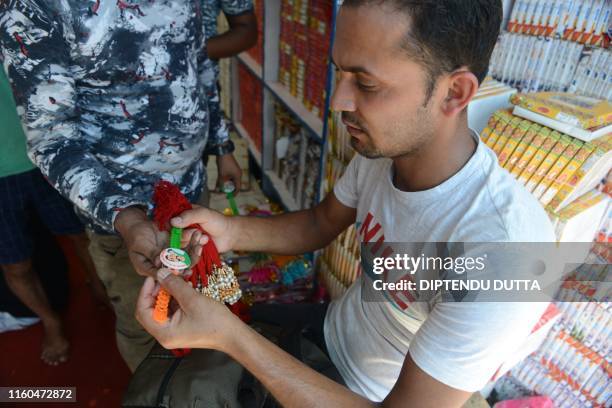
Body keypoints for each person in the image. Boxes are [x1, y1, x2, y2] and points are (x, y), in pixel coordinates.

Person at [136, 0, 557, 406]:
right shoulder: (387, 150)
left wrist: (230, 337)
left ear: (455, 92)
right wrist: (228, 231)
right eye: (340, 74)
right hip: (331, 330)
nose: (339, 101)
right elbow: (320, 223)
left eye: (366, 84)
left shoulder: (505, 253)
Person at [0, 0, 241, 372]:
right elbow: (52, 138)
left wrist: (222, 147)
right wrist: (127, 220)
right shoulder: (36, 7)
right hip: (122, 216)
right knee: (145, 324)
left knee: (205, 305)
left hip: (193, 188)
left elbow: (199, 66)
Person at [0, 67, 107, 366]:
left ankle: (100, 288)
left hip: (45, 159)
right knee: (15, 265)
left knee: (81, 234)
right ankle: (51, 322)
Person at [200, 0, 257, 192]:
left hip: (193, 100)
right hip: (114, 114)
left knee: (184, 208)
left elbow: (246, 30)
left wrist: (222, 148)